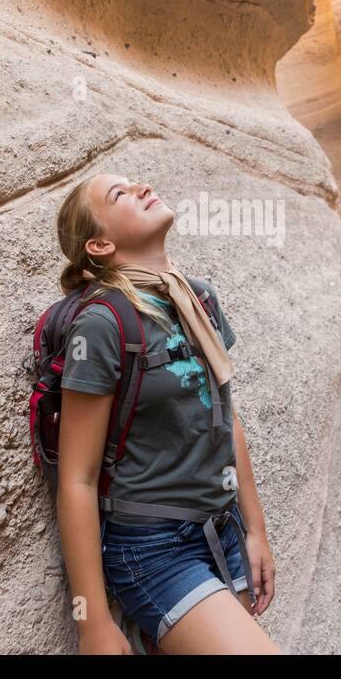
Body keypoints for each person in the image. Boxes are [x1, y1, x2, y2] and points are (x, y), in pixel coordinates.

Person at [54, 172, 279, 654]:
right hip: (154, 550)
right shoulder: (101, 325)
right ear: (99, 244)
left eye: (134, 183)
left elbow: (225, 417)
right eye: (119, 194)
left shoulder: (198, 299)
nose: (139, 188)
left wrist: (255, 530)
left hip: (223, 528)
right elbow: (78, 478)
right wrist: (92, 622)